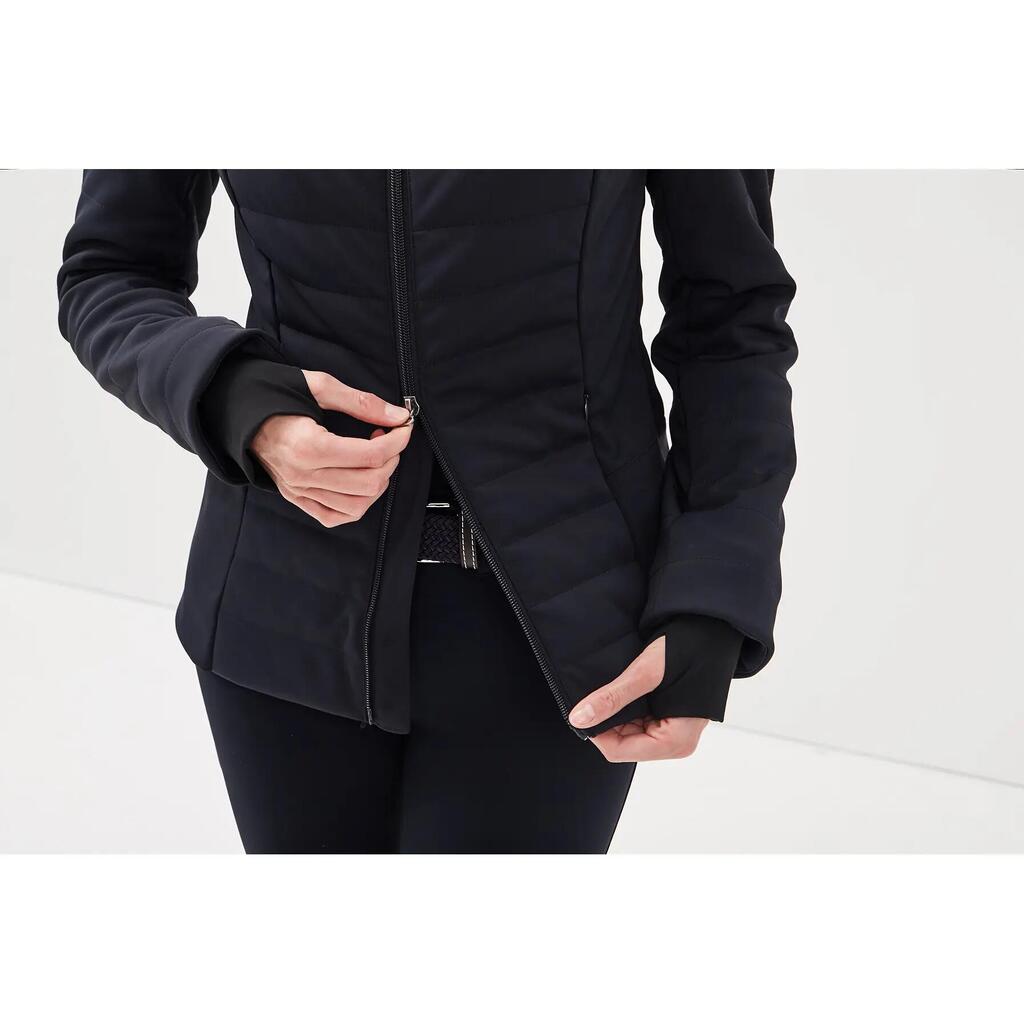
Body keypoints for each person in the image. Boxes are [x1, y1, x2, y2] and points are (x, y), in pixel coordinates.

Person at [57, 170, 797, 853]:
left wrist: (714, 588)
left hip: (567, 626)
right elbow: (111, 273)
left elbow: (730, 318)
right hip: (283, 602)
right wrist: (235, 398)